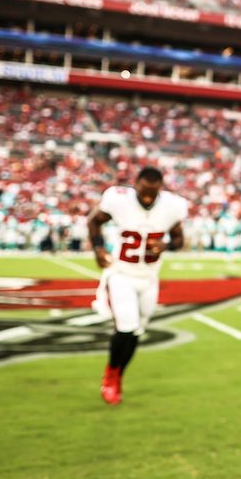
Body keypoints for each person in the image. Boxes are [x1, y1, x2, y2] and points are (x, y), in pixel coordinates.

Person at [88, 166, 187, 405]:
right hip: (121, 273)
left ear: (160, 188)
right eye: (144, 191)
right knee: (126, 327)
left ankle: (118, 373)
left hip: (149, 278)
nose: (147, 197)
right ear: (136, 184)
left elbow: (179, 239)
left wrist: (166, 247)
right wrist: (99, 248)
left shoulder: (172, 206)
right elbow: (94, 221)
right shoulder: (118, 199)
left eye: (153, 193)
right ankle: (111, 375)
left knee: (136, 332)